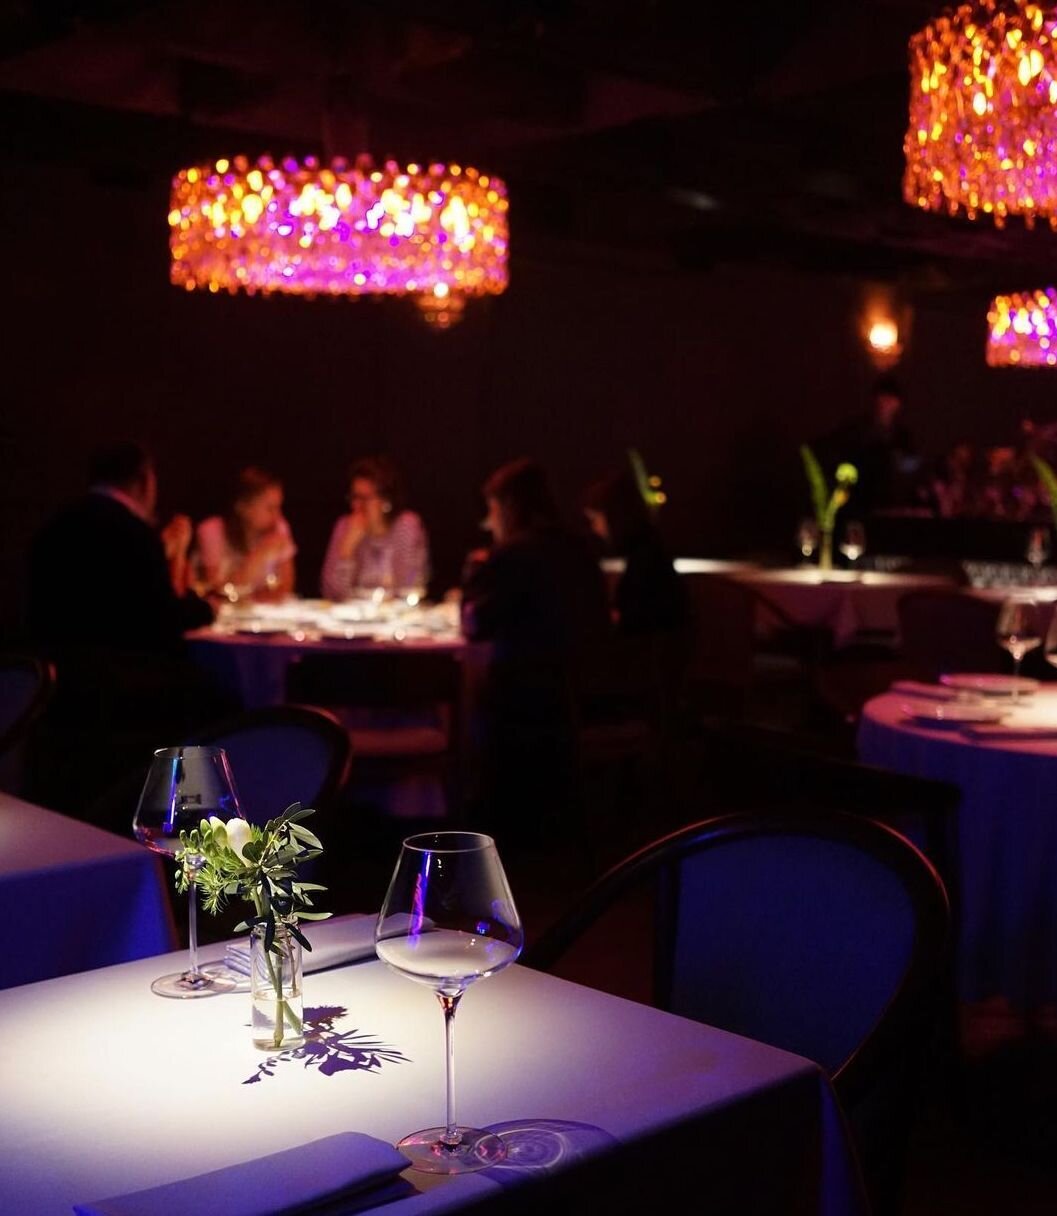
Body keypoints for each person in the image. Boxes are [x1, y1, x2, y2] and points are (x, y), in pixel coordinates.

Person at [461, 459, 610, 840]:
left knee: (470, 690)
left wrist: (475, 574)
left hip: (533, 698)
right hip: (593, 691)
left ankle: (474, 822)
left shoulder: (513, 554)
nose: (490, 522)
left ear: (507, 507)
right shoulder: (581, 548)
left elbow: (474, 626)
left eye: (493, 509)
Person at [28, 440, 213, 654]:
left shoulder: (54, 525)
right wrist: (208, 609)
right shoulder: (135, 532)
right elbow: (159, 617)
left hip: (55, 662)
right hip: (117, 665)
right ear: (144, 480)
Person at [583, 467, 688, 636]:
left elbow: (636, 624)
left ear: (614, 517)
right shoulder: (649, 551)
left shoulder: (645, 561)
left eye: (595, 519)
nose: (595, 528)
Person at [321, 457, 429, 599]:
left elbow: (409, 585)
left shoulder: (406, 525)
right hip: (354, 611)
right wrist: (346, 551)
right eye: (354, 497)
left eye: (364, 498)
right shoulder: (345, 526)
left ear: (386, 500)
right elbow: (331, 593)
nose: (356, 505)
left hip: (396, 611)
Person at [195, 466, 296, 599]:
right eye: (270, 508)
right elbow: (216, 591)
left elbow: (285, 587)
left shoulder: (279, 527)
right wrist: (260, 555)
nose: (277, 515)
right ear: (242, 507)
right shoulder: (211, 531)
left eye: (279, 507)